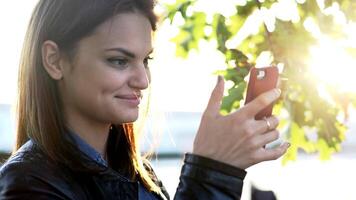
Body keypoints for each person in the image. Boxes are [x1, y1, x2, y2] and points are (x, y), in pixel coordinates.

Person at [0, 0, 290, 199]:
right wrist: (211, 172)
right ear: (55, 61)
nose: (143, 81)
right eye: (119, 61)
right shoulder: (27, 184)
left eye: (146, 60)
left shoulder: (140, 176)